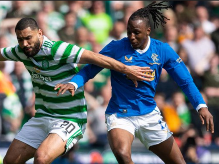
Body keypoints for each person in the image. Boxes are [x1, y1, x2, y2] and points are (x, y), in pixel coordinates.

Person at [0, 17, 153, 164]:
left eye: (28, 38)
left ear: (39, 33)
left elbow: (95, 57)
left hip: (69, 118)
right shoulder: (22, 51)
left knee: (42, 158)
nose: (24, 44)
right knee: (9, 160)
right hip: (43, 117)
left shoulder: (59, 49)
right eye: (20, 39)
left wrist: (127, 69)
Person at [55, 2, 214, 164]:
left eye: (136, 33)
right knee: (123, 155)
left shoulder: (162, 51)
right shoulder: (116, 48)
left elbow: (185, 81)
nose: (131, 36)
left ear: (148, 31)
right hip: (120, 114)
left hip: (149, 115)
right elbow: (91, 68)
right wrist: (74, 83)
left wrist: (201, 106)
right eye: (129, 32)